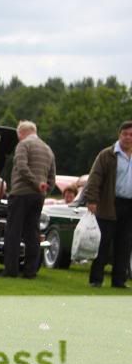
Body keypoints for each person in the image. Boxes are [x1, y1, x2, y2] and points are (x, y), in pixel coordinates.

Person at [2, 120, 55, 278]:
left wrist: (35, 183)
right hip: (38, 197)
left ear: (21, 133)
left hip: (21, 193)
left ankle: (11, 270)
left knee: (13, 232)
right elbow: (52, 176)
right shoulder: (47, 149)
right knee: (33, 233)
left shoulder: (23, 145)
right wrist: (44, 190)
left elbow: (22, 166)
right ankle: (30, 271)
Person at [83, 120, 132, 288]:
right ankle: (96, 279)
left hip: (129, 205)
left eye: (131, 135)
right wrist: (92, 200)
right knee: (103, 243)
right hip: (109, 204)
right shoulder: (107, 155)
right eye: (125, 134)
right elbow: (95, 178)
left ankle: (119, 281)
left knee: (124, 245)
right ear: (119, 135)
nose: (128, 138)